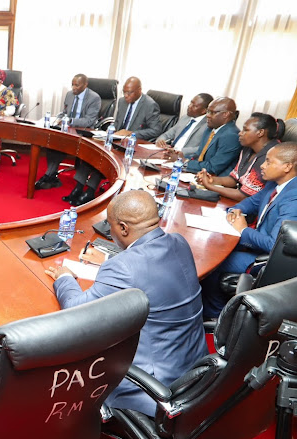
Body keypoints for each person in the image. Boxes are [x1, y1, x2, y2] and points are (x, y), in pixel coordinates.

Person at [45, 190, 207, 416]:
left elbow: (76, 310)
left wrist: (65, 277)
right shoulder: (179, 242)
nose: (110, 233)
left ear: (123, 228)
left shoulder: (123, 267)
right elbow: (149, 271)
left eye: (110, 226)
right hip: (196, 369)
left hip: (155, 386)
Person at [201, 142, 297, 319]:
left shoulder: (294, 198)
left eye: (268, 161)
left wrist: (243, 230)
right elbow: (251, 203)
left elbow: (273, 244)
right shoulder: (275, 184)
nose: (262, 165)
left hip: (267, 261)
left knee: (214, 261)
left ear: (287, 166)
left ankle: (216, 316)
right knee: (210, 245)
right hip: (254, 246)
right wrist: (235, 211)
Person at [34, 74, 102, 205]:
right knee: (53, 141)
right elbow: (65, 112)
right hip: (68, 129)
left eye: (77, 85)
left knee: (89, 155)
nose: (73, 88)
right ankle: (50, 176)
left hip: (85, 132)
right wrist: (59, 118)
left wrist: (70, 120)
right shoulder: (69, 95)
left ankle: (83, 188)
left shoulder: (94, 98)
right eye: (73, 84)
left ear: (85, 85)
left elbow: (89, 120)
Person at [195, 113, 283, 201]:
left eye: (245, 130)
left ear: (260, 133)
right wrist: (212, 180)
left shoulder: (270, 156)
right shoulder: (247, 149)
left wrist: (209, 186)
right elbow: (234, 179)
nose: (240, 133)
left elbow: (244, 196)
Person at [183, 97, 241, 175]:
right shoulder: (210, 129)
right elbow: (198, 155)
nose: (207, 115)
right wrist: (180, 158)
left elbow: (212, 168)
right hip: (198, 174)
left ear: (225, 114)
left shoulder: (231, 136)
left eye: (212, 112)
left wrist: (185, 162)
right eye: (208, 111)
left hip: (214, 180)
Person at [155, 93, 213, 159]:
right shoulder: (185, 118)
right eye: (191, 103)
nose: (189, 106)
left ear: (204, 111)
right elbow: (168, 134)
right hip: (168, 153)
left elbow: (202, 148)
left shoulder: (208, 125)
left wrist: (179, 151)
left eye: (194, 106)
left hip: (184, 158)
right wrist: (161, 140)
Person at [114, 76, 162, 141]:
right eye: (124, 92)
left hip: (134, 142)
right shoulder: (122, 101)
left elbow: (156, 131)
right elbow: (117, 123)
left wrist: (131, 133)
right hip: (118, 140)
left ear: (139, 90)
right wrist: (111, 129)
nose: (125, 95)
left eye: (129, 92)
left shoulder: (150, 105)